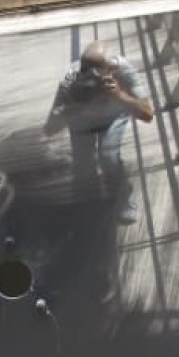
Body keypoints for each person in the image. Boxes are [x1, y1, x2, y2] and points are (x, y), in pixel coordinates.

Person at [43, 41, 156, 222]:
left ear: (111, 70)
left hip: (113, 118)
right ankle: (89, 200)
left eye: (97, 76)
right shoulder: (70, 80)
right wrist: (79, 106)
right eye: (86, 72)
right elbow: (50, 129)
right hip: (81, 122)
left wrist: (119, 94)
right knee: (83, 168)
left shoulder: (124, 71)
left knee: (109, 157)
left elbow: (148, 114)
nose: (91, 81)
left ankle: (121, 199)